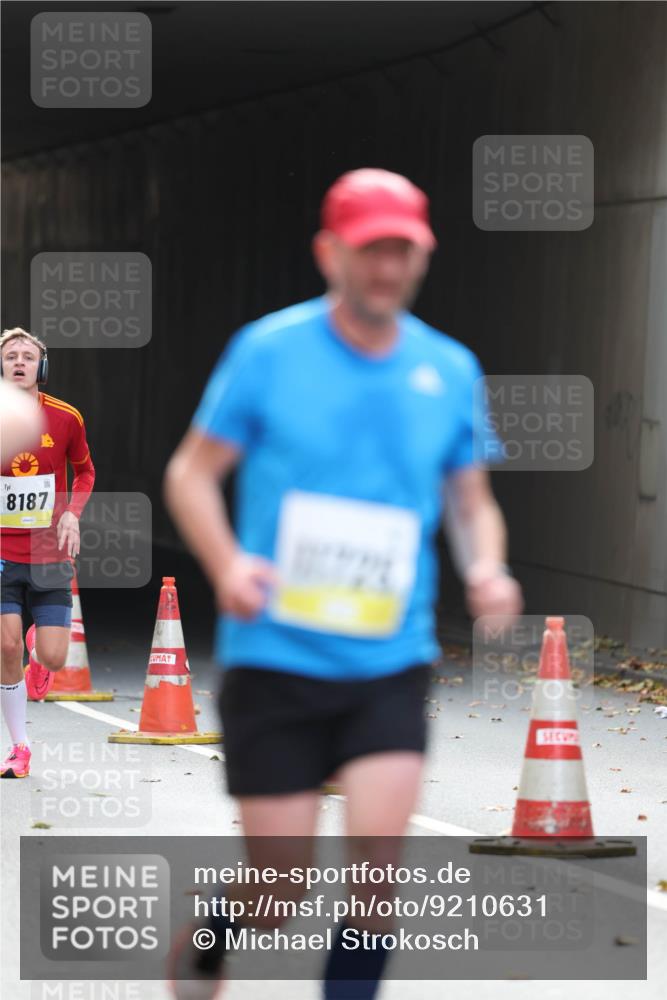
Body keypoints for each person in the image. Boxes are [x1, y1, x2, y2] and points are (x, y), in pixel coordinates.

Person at [163, 167, 523, 998]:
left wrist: (486, 567)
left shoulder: (448, 367)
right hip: (274, 657)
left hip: (387, 659)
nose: (388, 269)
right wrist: (227, 564)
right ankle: (216, 933)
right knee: (280, 891)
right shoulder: (267, 351)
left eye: (404, 251)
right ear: (330, 253)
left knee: (376, 868)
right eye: (371, 251)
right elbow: (190, 473)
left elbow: (470, 501)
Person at [0, 327, 95, 778]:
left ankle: (43, 649)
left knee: (54, 658)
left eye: (28, 356)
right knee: (5, 643)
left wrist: (72, 513)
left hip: (49, 552)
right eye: (10, 356)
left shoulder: (65, 418)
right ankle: (19, 747)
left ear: (42, 367)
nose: (19, 362)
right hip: (3, 552)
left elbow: (86, 471)